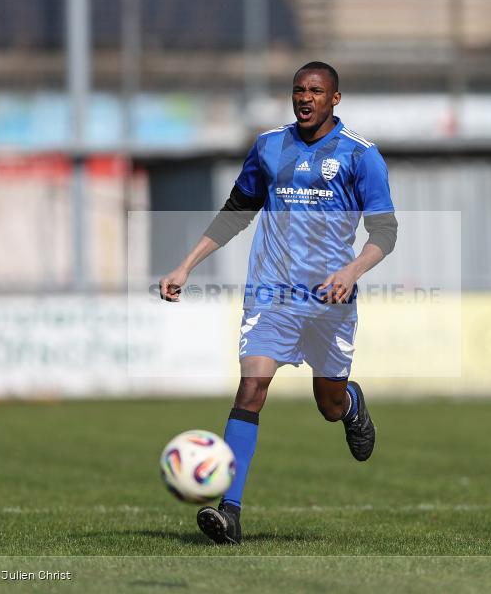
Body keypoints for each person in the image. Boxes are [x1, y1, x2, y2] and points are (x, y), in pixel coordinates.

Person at [159, 61, 397, 544]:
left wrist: (352, 271)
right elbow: (236, 212)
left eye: (315, 90)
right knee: (251, 389)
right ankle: (229, 511)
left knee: (327, 404)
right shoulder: (269, 146)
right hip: (272, 294)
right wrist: (186, 265)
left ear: (335, 98)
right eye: (297, 90)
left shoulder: (360, 156)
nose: (304, 98)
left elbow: (385, 232)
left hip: (331, 300)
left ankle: (351, 404)